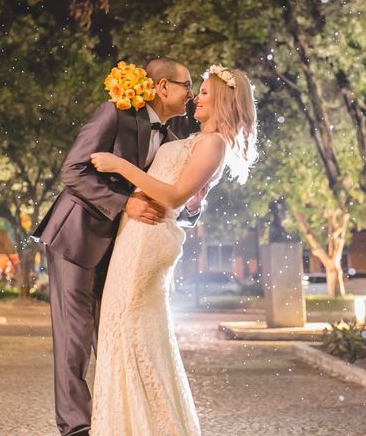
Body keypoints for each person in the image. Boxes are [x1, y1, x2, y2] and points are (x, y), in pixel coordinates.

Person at [88, 65, 258, 436]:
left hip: (148, 238)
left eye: (207, 95)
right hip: (136, 233)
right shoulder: (198, 139)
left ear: (225, 102)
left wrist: (121, 166)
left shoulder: (214, 145)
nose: (197, 97)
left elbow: (172, 197)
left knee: (128, 332)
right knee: (125, 332)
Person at [32, 58, 197, 436]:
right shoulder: (115, 114)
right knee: (74, 340)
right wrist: (123, 203)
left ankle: (111, 421)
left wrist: (194, 204)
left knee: (109, 336)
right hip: (76, 237)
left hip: (125, 252)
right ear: (163, 87)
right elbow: (72, 170)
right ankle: (75, 428)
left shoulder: (172, 144)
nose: (191, 93)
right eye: (187, 84)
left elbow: (170, 203)